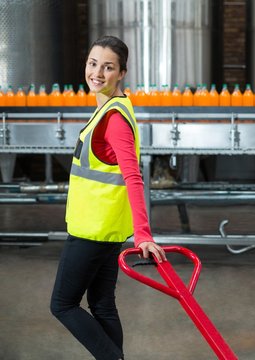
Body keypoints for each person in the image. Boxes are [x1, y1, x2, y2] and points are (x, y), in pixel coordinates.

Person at [50, 35, 166, 360]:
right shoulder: (111, 109)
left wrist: (143, 234)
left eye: (108, 67)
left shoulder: (114, 120)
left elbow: (133, 177)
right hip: (107, 230)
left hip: (91, 232)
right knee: (102, 304)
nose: (97, 72)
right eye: (93, 63)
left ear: (122, 73)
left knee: (62, 304)